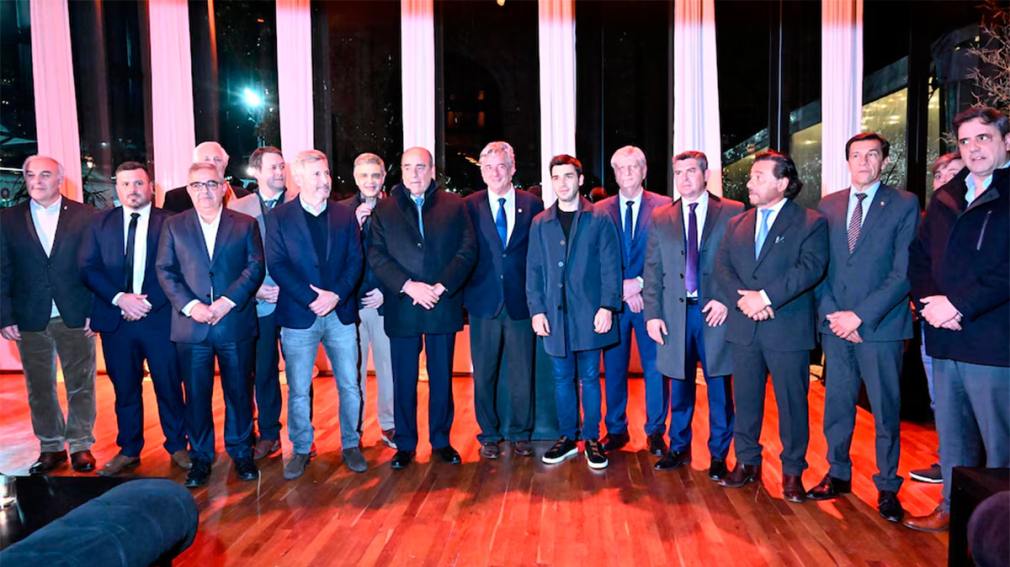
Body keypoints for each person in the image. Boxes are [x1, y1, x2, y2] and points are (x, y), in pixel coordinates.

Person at [904, 106, 1010, 532]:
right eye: (965, 141)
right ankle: (951, 508)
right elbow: (918, 256)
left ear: (1006, 141)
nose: (973, 148)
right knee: (952, 437)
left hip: (992, 344)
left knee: (1000, 447)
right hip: (944, 338)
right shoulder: (947, 195)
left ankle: (998, 530)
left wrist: (959, 305)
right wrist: (930, 302)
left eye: (983, 137)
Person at [808, 133, 919, 522]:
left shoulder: (904, 203)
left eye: (872, 155)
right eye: (856, 155)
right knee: (837, 406)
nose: (864, 161)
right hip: (836, 327)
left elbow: (903, 273)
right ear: (847, 161)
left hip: (881, 328)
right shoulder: (828, 205)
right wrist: (834, 315)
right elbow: (818, 267)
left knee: (886, 411)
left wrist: (860, 317)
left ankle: (887, 486)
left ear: (884, 161)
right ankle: (837, 474)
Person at [714, 150, 828, 503]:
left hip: (786, 329)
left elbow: (810, 268)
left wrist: (764, 298)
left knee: (792, 405)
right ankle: (746, 462)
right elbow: (722, 268)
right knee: (746, 401)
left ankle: (793, 472)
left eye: (759, 177)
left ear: (783, 183)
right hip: (744, 328)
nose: (750, 183)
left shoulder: (810, 222)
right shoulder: (736, 223)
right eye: (752, 177)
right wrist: (745, 301)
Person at [155, 161, 265, 488]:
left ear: (224, 188)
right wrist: (193, 307)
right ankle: (201, 457)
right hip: (192, 327)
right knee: (196, 396)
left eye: (211, 184)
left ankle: (241, 452)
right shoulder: (174, 226)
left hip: (234, 322)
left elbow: (254, 268)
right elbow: (165, 270)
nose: (204, 191)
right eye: (197, 185)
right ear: (188, 190)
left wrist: (226, 302)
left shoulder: (245, 224)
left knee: (239, 392)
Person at [368, 147, 477, 470]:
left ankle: (441, 441)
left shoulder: (455, 205)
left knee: (442, 378)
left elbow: (467, 250)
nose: (414, 173)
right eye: (407, 167)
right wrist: (408, 286)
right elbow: (376, 255)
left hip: (442, 303)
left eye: (420, 167)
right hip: (403, 304)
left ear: (432, 170)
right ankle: (404, 444)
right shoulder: (383, 209)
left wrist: (441, 286)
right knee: (403, 380)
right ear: (400, 171)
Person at [79, 161, 190, 475]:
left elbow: (178, 267)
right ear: (117, 188)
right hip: (117, 321)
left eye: (139, 183)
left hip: (160, 320)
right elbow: (88, 267)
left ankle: (177, 445)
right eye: (126, 184)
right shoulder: (99, 223)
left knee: (169, 385)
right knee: (125, 389)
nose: (133, 190)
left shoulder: (171, 222)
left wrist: (147, 303)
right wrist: (120, 299)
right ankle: (129, 449)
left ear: (151, 187)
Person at [266, 150, 365, 479]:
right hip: (299, 315)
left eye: (326, 173)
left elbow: (355, 261)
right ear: (298, 178)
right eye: (317, 174)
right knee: (298, 389)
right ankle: (301, 448)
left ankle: (351, 444)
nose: (325, 181)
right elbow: (277, 265)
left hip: (340, 313)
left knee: (349, 385)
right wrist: (313, 299)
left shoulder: (344, 215)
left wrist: (336, 295)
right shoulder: (279, 217)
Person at [643, 150, 742, 479]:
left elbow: (741, 265)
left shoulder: (732, 211)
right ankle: (679, 447)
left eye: (691, 171)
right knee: (680, 387)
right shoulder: (661, 217)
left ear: (705, 175)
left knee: (719, 388)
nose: (684, 178)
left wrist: (727, 300)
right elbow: (652, 270)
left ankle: (719, 455)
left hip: (714, 314)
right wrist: (652, 315)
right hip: (675, 316)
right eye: (679, 173)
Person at [0, 155, 97, 474]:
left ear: (60, 179)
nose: (37, 181)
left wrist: (94, 311)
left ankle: (81, 445)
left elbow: (95, 266)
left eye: (45, 175)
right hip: (28, 316)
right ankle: (51, 447)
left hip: (75, 313)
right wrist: (5, 316)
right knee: (39, 387)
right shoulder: (8, 219)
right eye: (31, 175)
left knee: (81, 384)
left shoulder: (86, 216)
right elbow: (2, 270)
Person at [527, 154, 621, 470]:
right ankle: (568, 437)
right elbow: (534, 270)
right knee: (561, 378)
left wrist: (608, 306)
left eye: (568, 176)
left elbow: (611, 267)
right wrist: (537, 311)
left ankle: (592, 438)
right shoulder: (541, 222)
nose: (562, 183)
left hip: (590, 315)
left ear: (580, 180)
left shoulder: (599, 218)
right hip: (555, 316)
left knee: (590, 378)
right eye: (556, 177)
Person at [463, 141, 544, 460]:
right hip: (483, 303)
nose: (495, 172)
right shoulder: (468, 206)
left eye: (501, 166)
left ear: (512, 169)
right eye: (488, 167)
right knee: (484, 374)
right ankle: (489, 434)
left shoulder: (532, 204)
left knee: (522, 373)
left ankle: (521, 434)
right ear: (481, 171)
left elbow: (538, 254)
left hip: (521, 302)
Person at [598, 146, 671, 455]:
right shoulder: (599, 210)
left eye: (633, 167)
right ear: (614, 174)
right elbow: (595, 259)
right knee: (613, 369)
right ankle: (616, 430)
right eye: (620, 168)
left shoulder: (665, 206)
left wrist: (639, 285)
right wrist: (621, 290)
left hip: (651, 302)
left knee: (656, 368)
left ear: (644, 171)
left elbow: (670, 255)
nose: (626, 173)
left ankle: (656, 431)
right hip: (614, 305)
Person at [227, 146, 296, 461]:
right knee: (264, 369)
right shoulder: (237, 209)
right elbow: (231, 260)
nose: (280, 172)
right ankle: (269, 434)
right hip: (260, 304)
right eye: (273, 167)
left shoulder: (300, 203)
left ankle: (303, 436)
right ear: (256, 172)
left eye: (282, 166)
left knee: (299, 373)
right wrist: (254, 291)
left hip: (296, 302)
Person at [909, 151, 965, 485]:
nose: (944, 181)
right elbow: (917, 265)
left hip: (970, 324)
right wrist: (926, 305)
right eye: (939, 175)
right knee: (940, 399)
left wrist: (956, 307)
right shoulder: (930, 219)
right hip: (933, 325)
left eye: (952, 173)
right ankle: (948, 463)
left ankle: (972, 473)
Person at [338, 152, 396, 449]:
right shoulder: (341, 212)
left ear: (383, 177)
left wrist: (388, 289)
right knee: (352, 371)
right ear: (355, 178)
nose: (370, 181)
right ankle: (354, 429)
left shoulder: (396, 209)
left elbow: (404, 256)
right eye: (364, 175)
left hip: (385, 303)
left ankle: (390, 425)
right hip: (352, 303)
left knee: (389, 369)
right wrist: (355, 227)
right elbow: (336, 256)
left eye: (375, 175)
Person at [162, 141, 250, 213]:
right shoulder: (176, 199)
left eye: (217, 160)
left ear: (225, 164)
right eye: (206, 159)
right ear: (196, 165)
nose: (212, 164)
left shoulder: (243, 196)